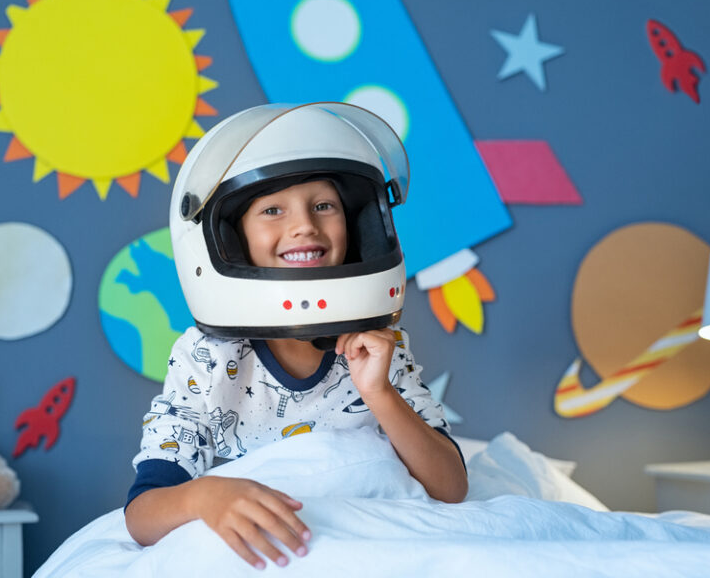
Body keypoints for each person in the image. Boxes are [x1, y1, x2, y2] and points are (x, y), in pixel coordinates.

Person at [124, 103, 468, 570]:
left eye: (324, 205)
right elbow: (143, 514)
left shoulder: (381, 347)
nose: (305, 224)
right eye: (272, 209)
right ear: (230, 238)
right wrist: (204, 496)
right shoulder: (206, 360)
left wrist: (380, 393)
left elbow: (450, 489)